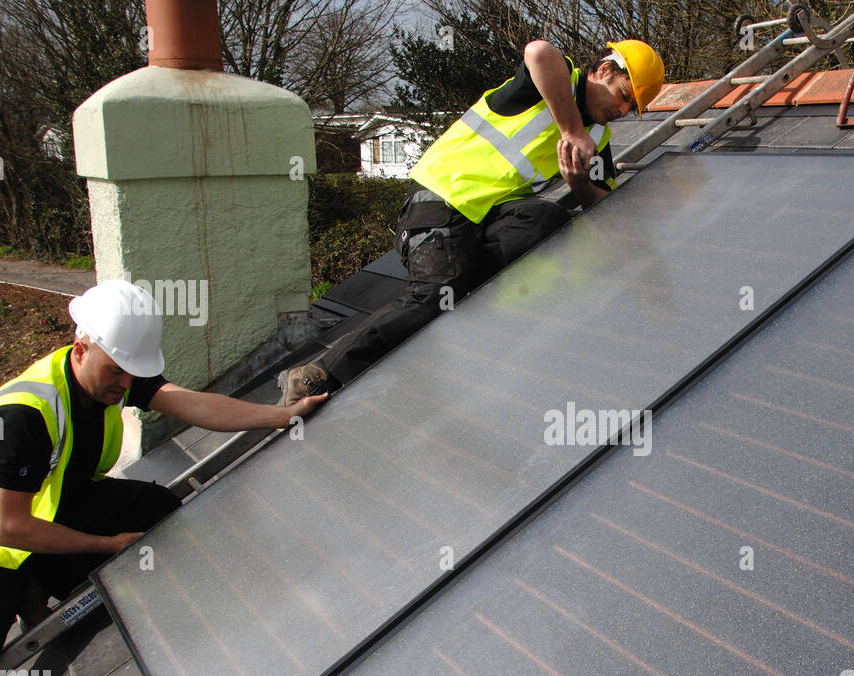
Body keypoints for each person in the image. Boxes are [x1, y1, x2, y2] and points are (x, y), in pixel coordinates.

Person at [0, 279, 328, 675]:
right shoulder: (24, 418)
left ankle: (39, 583)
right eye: (117, 372)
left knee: (158, 511)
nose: (127, 384)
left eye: (132, 373)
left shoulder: (109, 374)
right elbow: (8, 528)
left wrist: (283, 416)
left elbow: (195, 406)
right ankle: (23, 587)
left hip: (44, 515)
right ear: (81, 349)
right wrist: (108, 544)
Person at [278, 38, 665, 404]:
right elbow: (539, 51)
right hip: (440, 202)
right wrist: (571, 130)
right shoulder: (554, 81)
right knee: (432, 296)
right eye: (625, 96)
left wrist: (580, 183)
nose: (624, 111)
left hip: (486, 221)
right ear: (601, 70)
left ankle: (466, 295)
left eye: (633, 109)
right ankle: (316, 374)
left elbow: (610, 208)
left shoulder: (598, 138)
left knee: (548, 216)